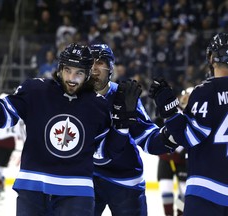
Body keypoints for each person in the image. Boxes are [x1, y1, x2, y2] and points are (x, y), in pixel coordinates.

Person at [0, 43, 141, 216]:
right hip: (32, 187)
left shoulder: (98, 106)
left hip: (76, 193)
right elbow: (3, 117)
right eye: (68, 70)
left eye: (79, 73)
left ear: (87, 74)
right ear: (60, 68)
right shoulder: (35, 90)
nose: (72, 79)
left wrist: (121, 126)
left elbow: (104, 153)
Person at [90, 43, 180, 216]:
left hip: (126, 182)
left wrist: (171, 131)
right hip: (88, 179)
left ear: (110, 68)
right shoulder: (77, 98)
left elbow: (149, 140)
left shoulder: (124, 97)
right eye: (91, 62)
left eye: (100, 62)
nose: (94, 68)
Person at [148, 32, 228, 216]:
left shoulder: (205, 92)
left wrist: (170, 109)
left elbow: (188, 137)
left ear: (211, 58)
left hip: (206, 190)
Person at [156, 87, 193, 216]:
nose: (184, 97)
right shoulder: (172, 111)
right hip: (166, 159)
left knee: (183, 192)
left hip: (182, 160)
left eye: (188, 95)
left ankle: (180, 213)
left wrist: (180, 152)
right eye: (184, 94)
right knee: (165, 189)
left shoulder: (193, 116)